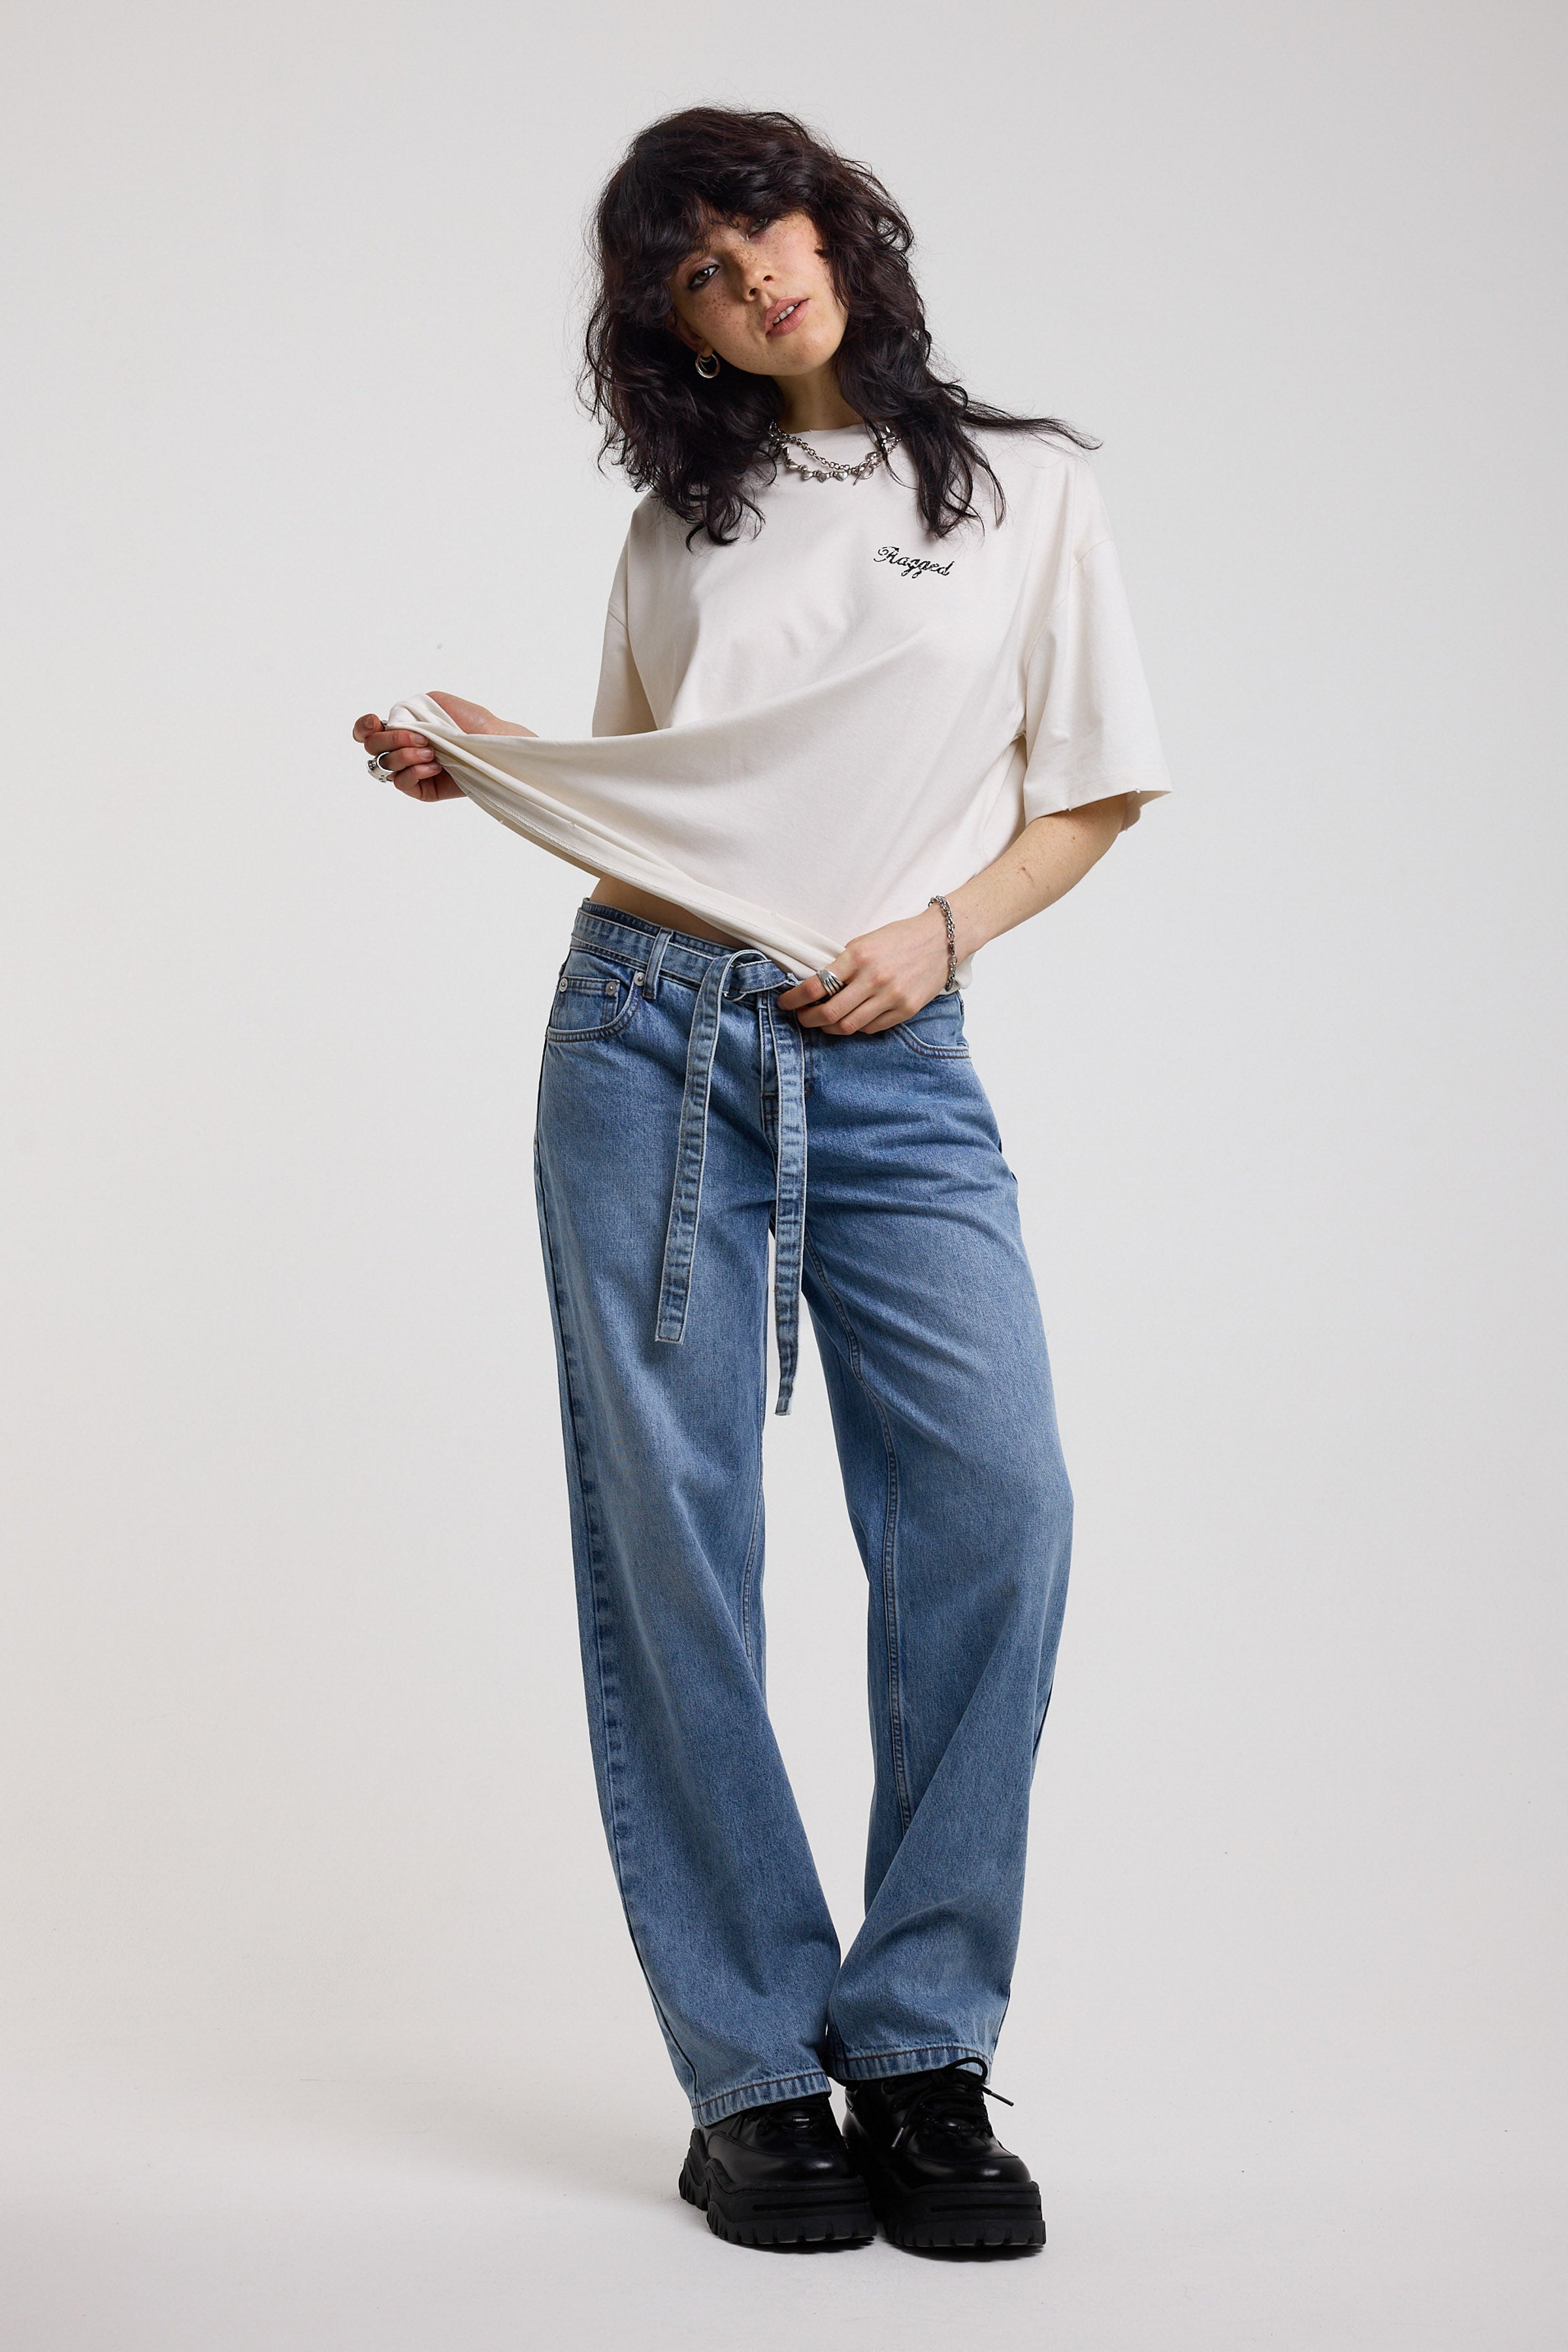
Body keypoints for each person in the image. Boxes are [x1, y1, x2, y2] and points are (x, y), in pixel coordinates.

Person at [352, 105, 1170, 2255]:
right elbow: (661, 812)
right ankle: (748, 2076)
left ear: (835, 225)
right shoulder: (678, 527)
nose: (751, 280)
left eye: (762, 230)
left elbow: (1094, 791)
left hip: (897, 1059)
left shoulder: (1023, 489)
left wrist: (943, 936)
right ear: (676, 330)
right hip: (645, 1040)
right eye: (698, 276)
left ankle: (921, 2049)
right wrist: (494, 772)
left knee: (998, 1509)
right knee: (681, 1555)